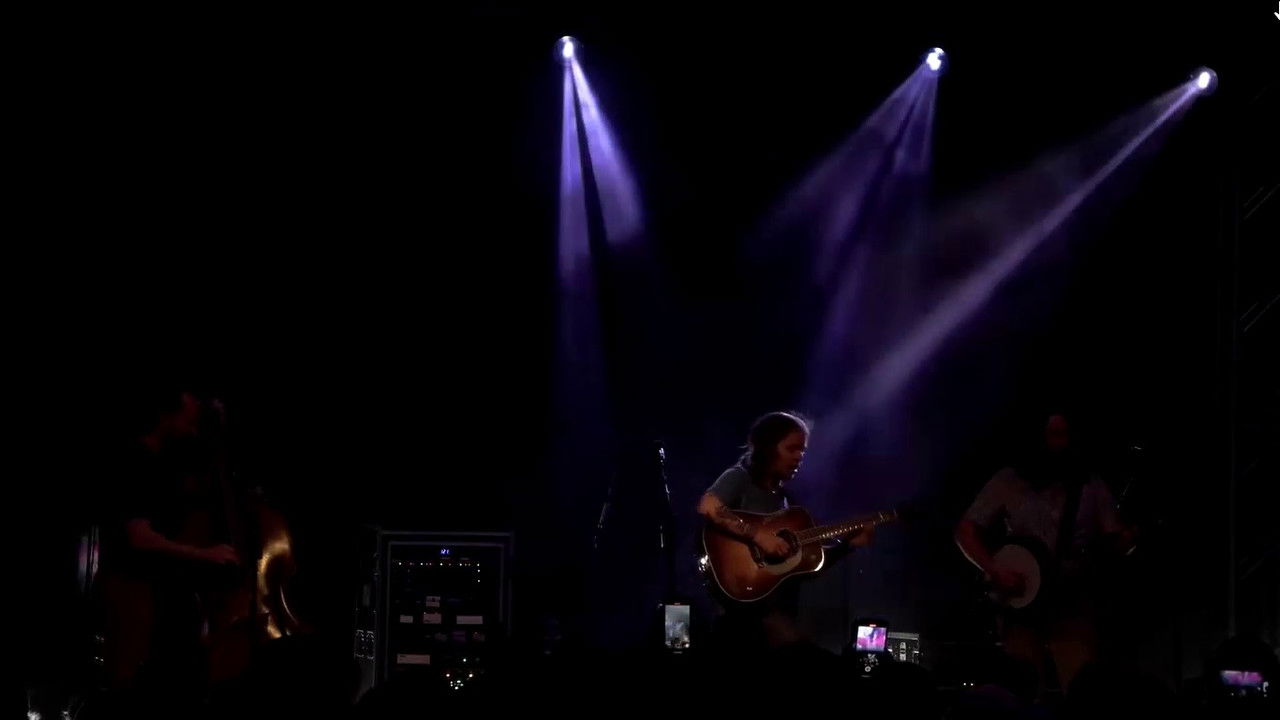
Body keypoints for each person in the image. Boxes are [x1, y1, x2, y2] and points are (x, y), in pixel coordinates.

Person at [954, 412, 1134, 696]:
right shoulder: (1009, 479)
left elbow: (1115, 539)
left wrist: (1127, 540)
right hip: (1021, 606)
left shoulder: (1090, 483)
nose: (1061, 443)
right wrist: (995, 570)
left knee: (1083, 691)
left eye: (1066, 434)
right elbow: (966, 530)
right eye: (1053, 434)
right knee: (1020, 693)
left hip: (1073, 601)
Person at [697, 411, 872, 651]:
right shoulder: (740, 477)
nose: (799, 457)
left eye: (802, 451)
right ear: (768, 448)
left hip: (775, 616)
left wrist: (848, 546)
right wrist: (758, 536)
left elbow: (804, 568)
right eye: (792, 449)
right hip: (743, 620)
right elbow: (708, 506)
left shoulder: (785, 503)